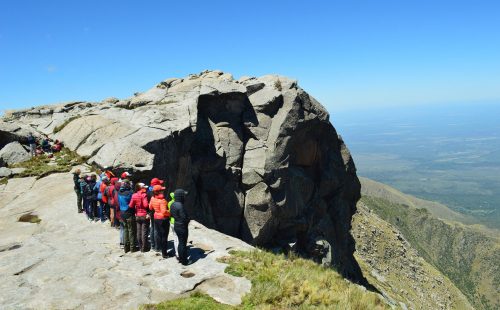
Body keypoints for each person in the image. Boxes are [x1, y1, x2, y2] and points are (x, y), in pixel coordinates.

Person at [149, 184, 170, 258]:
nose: (163, 191)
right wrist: (170, 212)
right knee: (164, 236)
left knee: (158, 234)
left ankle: (158, 247)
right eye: (162, 190)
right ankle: (164, 253)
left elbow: (150, 207)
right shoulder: (162, 200)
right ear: (159, 191)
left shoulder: (152, 198)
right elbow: (164, 212)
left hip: (156, 217)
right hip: (163, 219)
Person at [170, 189, 190, 265]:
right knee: (183, 244)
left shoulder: (173, 204)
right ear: (180, 196)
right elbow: (184, 218)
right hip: (182, 227)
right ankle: (184, 261)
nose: (185, 197)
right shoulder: (180, 206)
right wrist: (188, 219)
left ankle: (180, 259)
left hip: (176, 225)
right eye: (184, 195)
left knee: (180, 242)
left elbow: (171, 215)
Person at [129, 183, 149, 252]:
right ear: (141, 188)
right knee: (144, 232)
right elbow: (146, 205)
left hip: (137, 215)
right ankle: (144, 248)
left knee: (138, 231)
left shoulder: (134, 195)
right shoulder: (144, 195)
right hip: (144, 215)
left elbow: (131, 205)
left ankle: (140, 246)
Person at [118, 179, 136, 253]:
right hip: (129, 212)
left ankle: (126, 247)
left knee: (125, 229)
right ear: (128, 184)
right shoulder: (130, 193)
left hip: (122, 212)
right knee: (131, 230)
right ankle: (132, 248)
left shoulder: (119, 192)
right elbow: (133, 202)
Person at [147, 178, 164, 252]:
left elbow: (149, 205)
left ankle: (153, 244)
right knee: (156, 230)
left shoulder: (149, 191)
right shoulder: (154, 193)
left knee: (153, 228)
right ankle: (157, 246)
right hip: (156, 213)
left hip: (151, 212)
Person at [167, 192, 178, 258]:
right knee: (178, 238)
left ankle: (176, 252)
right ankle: (178, 253)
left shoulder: (169, 203)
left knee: (175, 237)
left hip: (171, 221)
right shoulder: (177, 204)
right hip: (176, 222)